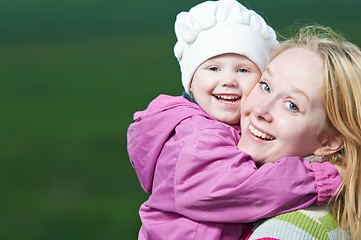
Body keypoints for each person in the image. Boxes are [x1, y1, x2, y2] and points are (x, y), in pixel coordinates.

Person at [127, 1, 341, 239]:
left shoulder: (225, 130)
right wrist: (321, 180)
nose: (228, 80)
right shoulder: (194, 137)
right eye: (213, 68)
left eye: (243, 70)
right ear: (190, 80)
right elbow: (247, 187)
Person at [240, 25, 361, 240]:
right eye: (266, 86)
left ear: (330, 141)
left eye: (292, 105)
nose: (260, 110)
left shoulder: (282, 231)